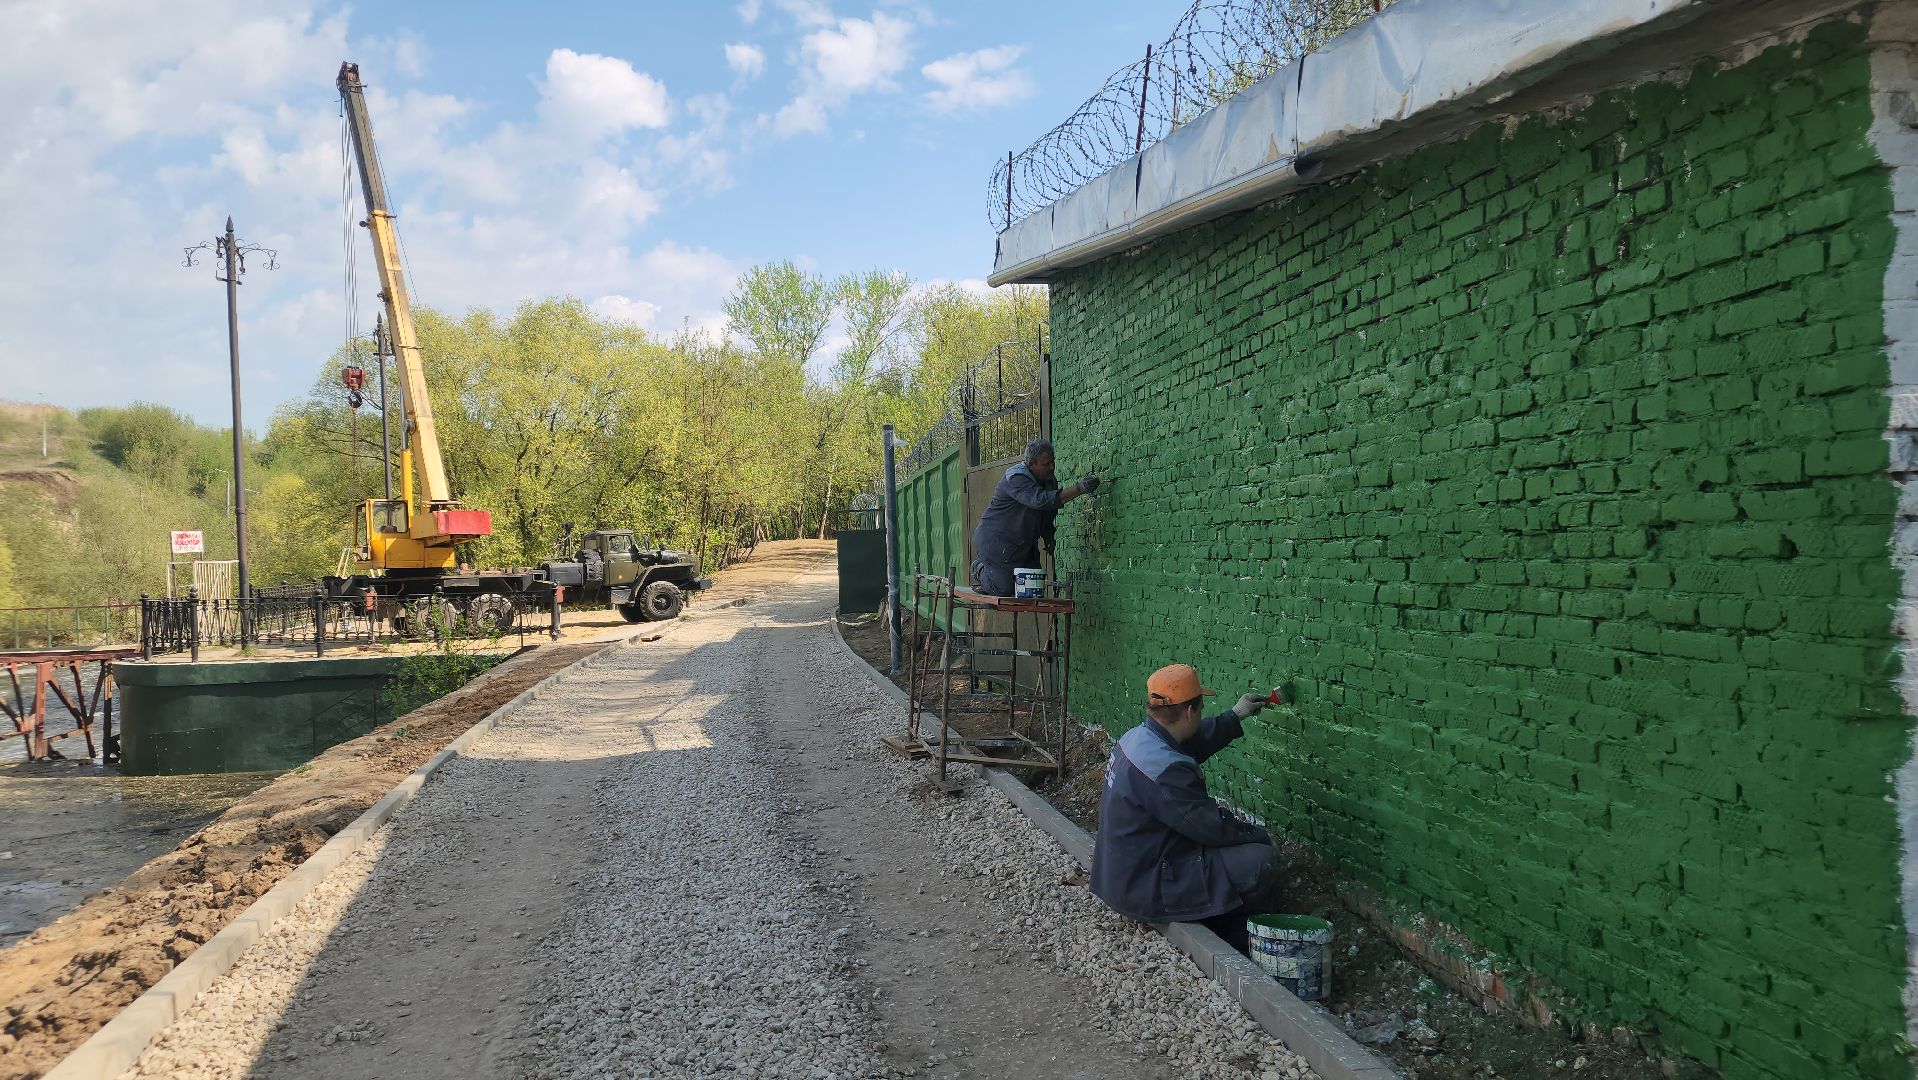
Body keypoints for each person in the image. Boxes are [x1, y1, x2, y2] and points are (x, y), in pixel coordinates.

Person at [1090, 663, 1284, 955]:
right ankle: (1233, 939)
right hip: (1146, 885)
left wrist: (1234, 716)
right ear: (1190, 712)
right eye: (1201, 708)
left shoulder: (1139, 738)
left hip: (1122, 872)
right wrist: (1258, 836)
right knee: (1259, 861)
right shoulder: (1166, 770)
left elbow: (1190, 742)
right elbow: (1212, 828)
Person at [968, 438, 1101, 596]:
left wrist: (1048, 536)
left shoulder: (1049, 481)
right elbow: (1040, 501)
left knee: (1033, 587)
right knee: (1005, 588)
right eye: (1046, 464)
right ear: (1031, 463)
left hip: (1022, 544)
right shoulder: (1016, 478)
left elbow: (1048, 511)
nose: (1052, 467)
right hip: (996, 542)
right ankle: (979, 569)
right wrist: (1079, 489)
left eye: (1053, 461)